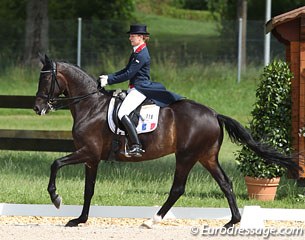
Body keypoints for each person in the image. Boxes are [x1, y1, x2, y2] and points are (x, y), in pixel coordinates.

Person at [99, 24, 183, 157]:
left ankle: (136, 146)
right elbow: (125, 70)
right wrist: (108, 77)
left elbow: (128, 74)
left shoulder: (142, 54)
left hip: (140, 89)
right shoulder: (136, 51)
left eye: (132, 36)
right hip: (135, 88)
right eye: (130, 36)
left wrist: (109, 81)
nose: (130, 39)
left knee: (122, 113)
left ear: (141, 37)